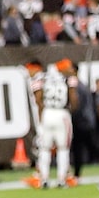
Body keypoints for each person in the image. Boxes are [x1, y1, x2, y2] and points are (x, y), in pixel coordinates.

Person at [33, 59, 74, 187]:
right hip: (61, 113)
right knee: (63, 148)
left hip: (47, 113)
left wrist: (41, 119)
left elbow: (38, 99)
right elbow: (74, 99)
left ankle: (44, 179)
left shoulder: (42, 77)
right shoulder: (68, 79)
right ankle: (62, 180)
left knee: (45, 148)